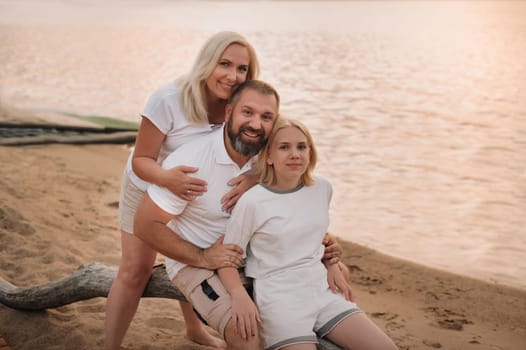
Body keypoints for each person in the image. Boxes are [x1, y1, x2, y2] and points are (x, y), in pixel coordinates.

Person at [105, 31, 261, 350]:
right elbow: (141, 160)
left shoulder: (244, 105)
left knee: (190, 255)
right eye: (225, 64)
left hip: (194, 192)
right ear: (207, 62)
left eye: (242, 69)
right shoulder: (169, 99)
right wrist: (166, 179)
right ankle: (109, 345)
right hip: (150, 185)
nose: (233, 76)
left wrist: (254, 177)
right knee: (136, 271)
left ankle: (193, 329)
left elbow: (273, 143)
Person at [218, 118, 398, 350]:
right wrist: (238, 295)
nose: (295, 154)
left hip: (322, 292)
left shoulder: (322, 189)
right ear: (269, 157)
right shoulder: (253, 202)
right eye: (284, 147)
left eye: (302, 147)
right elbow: (226, 259)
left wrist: (333, 265)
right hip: (280, 302)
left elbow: (316, 236)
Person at [134, 79, 280, 349]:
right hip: (198, 261)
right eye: (247, 112)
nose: (256, 124)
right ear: (228, 113)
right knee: (246, 335)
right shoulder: (191, 162)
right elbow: (145, 225)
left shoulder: (270, 157)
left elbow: (303, 190)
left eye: (266, 117)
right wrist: (202, 256)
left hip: (254, 257)